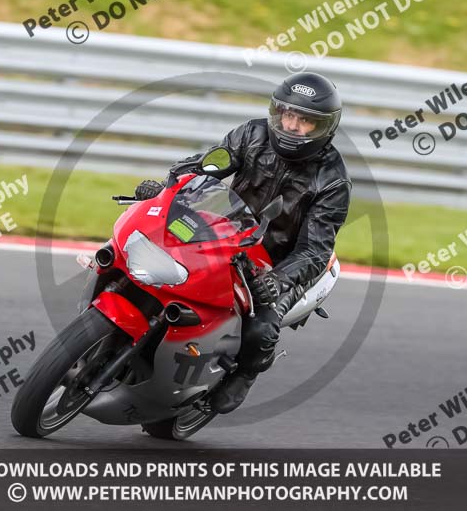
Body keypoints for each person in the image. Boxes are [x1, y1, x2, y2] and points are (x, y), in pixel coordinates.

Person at [134, 72, 352, 414]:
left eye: (305, 121)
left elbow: (314, 250)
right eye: (288, 115)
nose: (292, 126)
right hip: (230, 228)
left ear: (324, 127)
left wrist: (277, 280)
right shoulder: (252, 134)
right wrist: (167, 189)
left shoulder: (333, 181)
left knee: (261, 326)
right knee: (162, 250)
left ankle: (244, 374)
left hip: (280, 260)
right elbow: (206, 166)